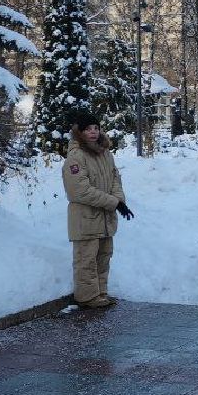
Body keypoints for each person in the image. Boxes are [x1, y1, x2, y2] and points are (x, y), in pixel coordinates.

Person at [61, 110, 131, 310]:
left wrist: (120, 201)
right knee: (86, 260)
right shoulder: (76, 157)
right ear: (80, 132)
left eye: (96, 128)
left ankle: (100, 293)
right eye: (88, 129)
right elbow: (79, 191)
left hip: (105, 218)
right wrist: (113, 203)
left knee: (103, 257)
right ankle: (86, 297)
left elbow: (115, 179)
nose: (93, 132)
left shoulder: (105, 154)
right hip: (85, 219)